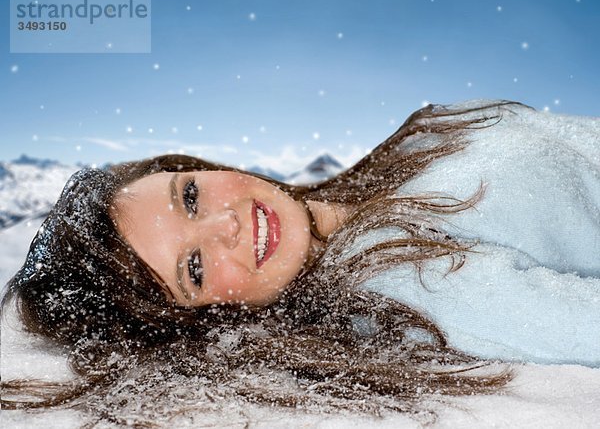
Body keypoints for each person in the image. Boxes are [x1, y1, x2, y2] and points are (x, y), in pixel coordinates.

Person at [1, 99, 598, 416]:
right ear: (216, 317)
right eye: (195, 268)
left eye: (189, 197)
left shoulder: (382, 175)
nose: (225, 224)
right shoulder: (409, 281)